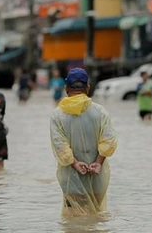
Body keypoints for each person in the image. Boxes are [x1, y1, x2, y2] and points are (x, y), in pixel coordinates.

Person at [50, 68, 117, 216]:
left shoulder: (57, 115)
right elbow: (109, 142)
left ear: (66, 88)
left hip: (71, 180)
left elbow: (60, 147)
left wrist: (75, 163)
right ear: (88, 87)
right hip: (97, 178)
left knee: (74, 224)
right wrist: (98, 162)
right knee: (95, 222)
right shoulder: (100, 112)